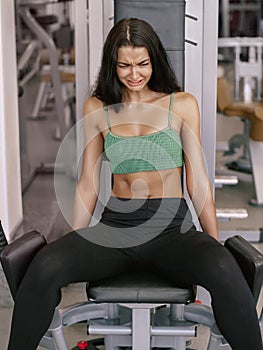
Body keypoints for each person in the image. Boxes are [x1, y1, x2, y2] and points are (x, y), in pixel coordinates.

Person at [7, 18, 262, 350]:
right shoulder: (97, 107)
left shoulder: (181, 104)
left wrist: (212, 243)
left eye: (142, 63)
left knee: (223, 268)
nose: (134, 73)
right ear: (113, 65)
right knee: (46, 265)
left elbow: (197, 182)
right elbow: (87, 183)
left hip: (172, 228)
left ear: (154, 60)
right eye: (124, 65)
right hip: (116, 226)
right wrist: (70, 244)